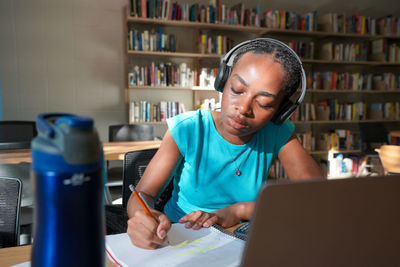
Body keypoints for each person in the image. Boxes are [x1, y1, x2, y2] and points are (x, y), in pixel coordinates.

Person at [126, 38, 323, 249]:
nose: (244, 108)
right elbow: (143, 194)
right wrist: (143, 217)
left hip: (240, 240)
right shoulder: (189, 128)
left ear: (281, 111)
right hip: (179, 237)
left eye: (265, 103)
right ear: (222, 81)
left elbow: (316, 196)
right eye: (237, 90)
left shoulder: (277, 133)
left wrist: (239, 211)